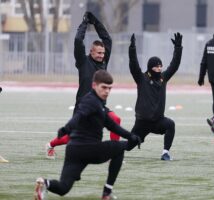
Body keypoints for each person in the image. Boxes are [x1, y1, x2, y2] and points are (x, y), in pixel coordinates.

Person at [34, 70, 141, 200]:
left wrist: (130, 136)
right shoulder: (91, 101)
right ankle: (107, 193)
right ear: (94, 85)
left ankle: (45, 183)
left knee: (63, 188)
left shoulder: (98, 103)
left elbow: (112, 126)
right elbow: (79, 115)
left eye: (109, 88)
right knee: (120, 148)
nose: (107, 91)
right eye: (104, 87)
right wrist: (66, 128)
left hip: (74, 151)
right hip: (89, 149)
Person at [45, 12, 122, 159]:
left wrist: (96, 22)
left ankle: (114, 154)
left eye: (103, 53)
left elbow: (107, 39)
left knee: (116, 120)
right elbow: (78, 41)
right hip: (83, 107)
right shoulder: (82, 61)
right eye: (98, 53)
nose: (101, 55)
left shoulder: (104, 61)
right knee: (72, 138)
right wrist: (84, 24)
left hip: (99, 106)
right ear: (90, 52)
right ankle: (51, 145)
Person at [127, 32, 182, 160]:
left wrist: (178, 48)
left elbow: (174, 65)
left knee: (170, 125)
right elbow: (133, 64)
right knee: (128, 146)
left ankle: (165, 153)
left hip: (158, 121)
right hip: (142, 122)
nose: (160, 68)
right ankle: (111, 150)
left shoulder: (163, 78)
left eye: (160, 65)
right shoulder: (141, 78)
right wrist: (132, 49)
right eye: (157, 66)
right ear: (151, 67)